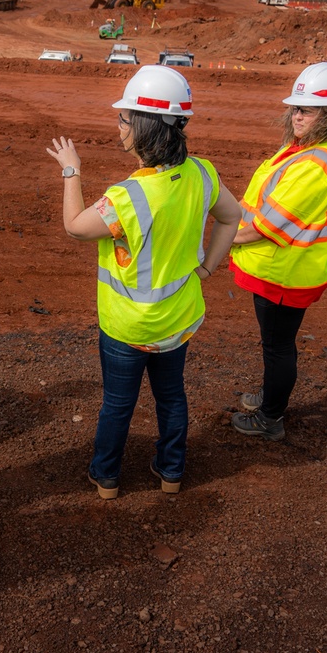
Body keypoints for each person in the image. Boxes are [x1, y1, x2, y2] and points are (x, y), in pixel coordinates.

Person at [46, 65, 241, 499]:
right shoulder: (204, 174)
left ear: (145, 127)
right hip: (178, 320)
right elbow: (232, 217)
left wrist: (70, 170)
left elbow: (77, 227)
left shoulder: (127, 197)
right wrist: (207, 268)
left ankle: (107, 479)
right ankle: (171, 474)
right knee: (171, 397)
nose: (118, 126)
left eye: (123, 118)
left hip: (127, 327)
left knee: (118, 404)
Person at [229, 62, 327, 441]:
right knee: (275, 344)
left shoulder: (316, 164)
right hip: (286, 267)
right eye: (295, 107)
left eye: (307, 109)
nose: (297, 115)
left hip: (286, 272)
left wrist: (219, 240)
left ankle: (270, 418)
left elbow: (264, 227)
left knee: (277, 346)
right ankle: (272, 396)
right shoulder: (315, 145)